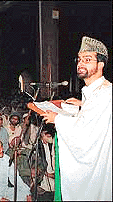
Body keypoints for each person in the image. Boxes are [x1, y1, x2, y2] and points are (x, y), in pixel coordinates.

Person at [41, 36, 112, 201]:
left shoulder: (104, 93)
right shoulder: (93, 91)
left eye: (88, 59)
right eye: (79, 59)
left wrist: (57, 119)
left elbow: (86, 131)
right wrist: (81, 105)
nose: (81, 63)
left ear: (100, 64)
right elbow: (93, 115)